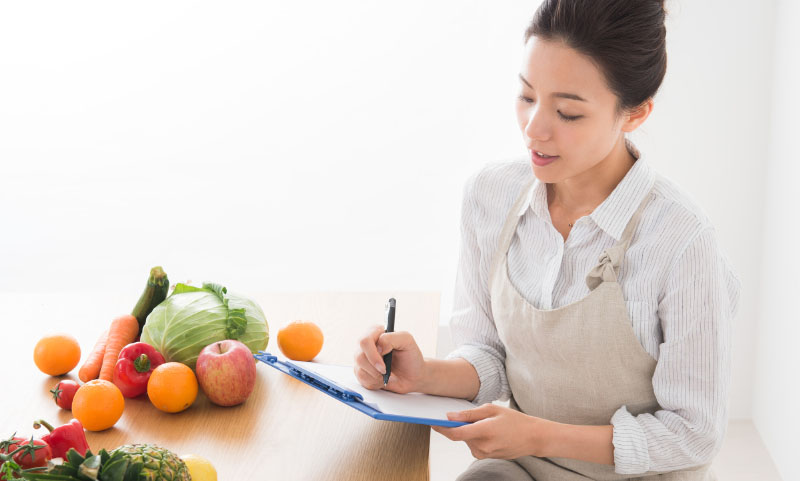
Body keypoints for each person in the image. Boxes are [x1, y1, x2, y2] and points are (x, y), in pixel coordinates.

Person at [354, 0, 741, 479]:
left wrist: (538, 433)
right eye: (526, 95)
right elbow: (489, 354)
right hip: (523, 467)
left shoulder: (681, 241)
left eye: (568, 112)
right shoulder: (491, 196)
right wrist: (425, 374)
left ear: (635, 113)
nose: (534, 128)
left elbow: (695, 432)